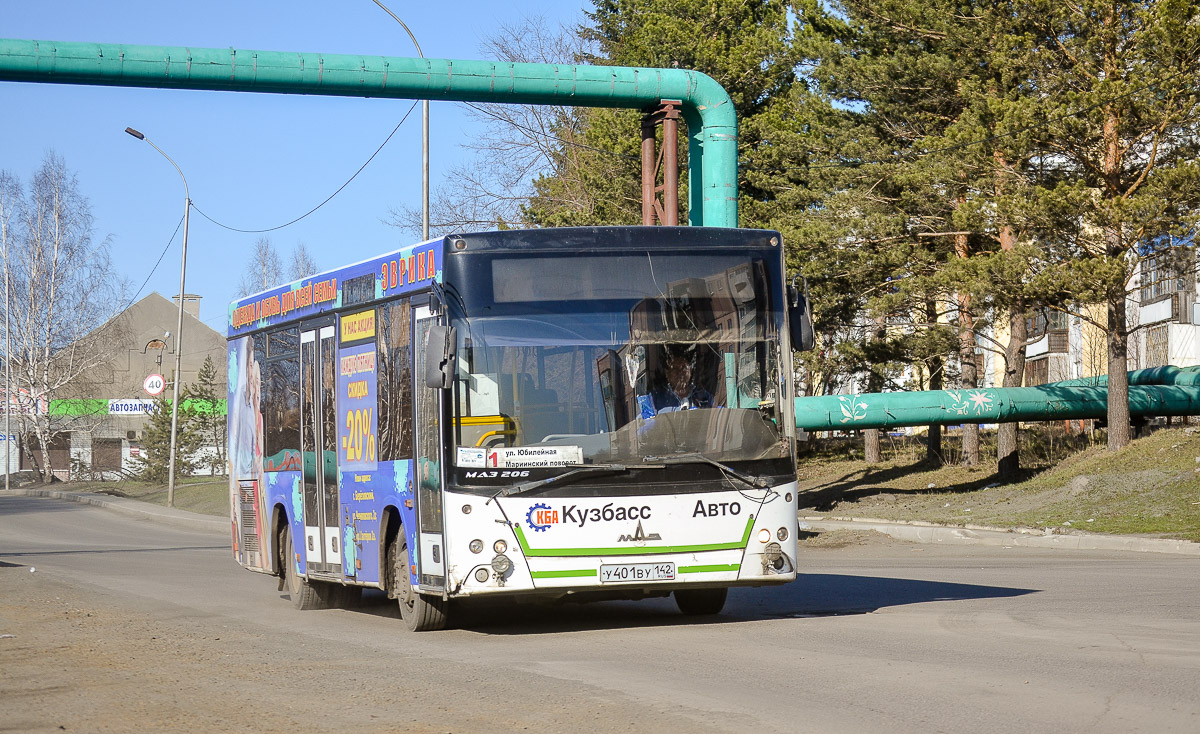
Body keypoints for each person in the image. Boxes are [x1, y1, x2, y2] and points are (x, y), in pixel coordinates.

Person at [638, 349, 714, 418]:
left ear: (690, 371)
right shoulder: (655, 399)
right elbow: (640, 423)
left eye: (684, 368)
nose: (680, 373)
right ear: (667, 373)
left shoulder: (704, 397)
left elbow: (716, 415)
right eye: (675, 369)